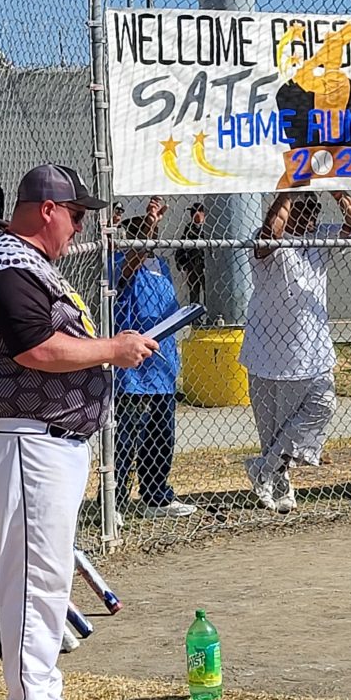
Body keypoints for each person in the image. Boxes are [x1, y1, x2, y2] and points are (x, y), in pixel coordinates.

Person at [0, 164, 158, 700]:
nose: (78, 228)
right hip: (25, 440)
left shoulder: (30, 264)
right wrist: (113, 349)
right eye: (75, 215)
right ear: (46, 208)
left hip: (50, 440)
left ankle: (42, 695)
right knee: (31, 576)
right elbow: (37, 348)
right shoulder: (6, 266)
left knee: (48, 576)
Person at [240, 190, 351, 513]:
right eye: (303, 208)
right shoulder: (268, 239)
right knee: (272, 433)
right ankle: (280, 485)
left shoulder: (320, 237)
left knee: (324, 405)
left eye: (315, 207)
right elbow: (272, 232)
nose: (311, 215)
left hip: (313, 353)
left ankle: (263, 470)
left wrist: (337, 191)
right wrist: (289, 191)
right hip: (267, 353)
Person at [113, 196, 198, 517]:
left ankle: (156, 496)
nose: (150, 242)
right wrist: (150, 223)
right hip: (134, 371)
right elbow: (131, 261)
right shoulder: (120, 263)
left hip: (162, 366)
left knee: (160, 438)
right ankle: (116, 500)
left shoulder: (160, 266)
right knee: (128, 437)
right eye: (145, 236)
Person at [176, 202, 206, 304]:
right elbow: (182, 244)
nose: (195, 214)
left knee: (208, 292)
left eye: (198, 211)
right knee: (194, 293)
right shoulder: (189, 227)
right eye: (193, 212)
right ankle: (195, 319)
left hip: (204, 264)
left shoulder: (208, 228)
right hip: (192, 264)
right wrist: (180, 260)